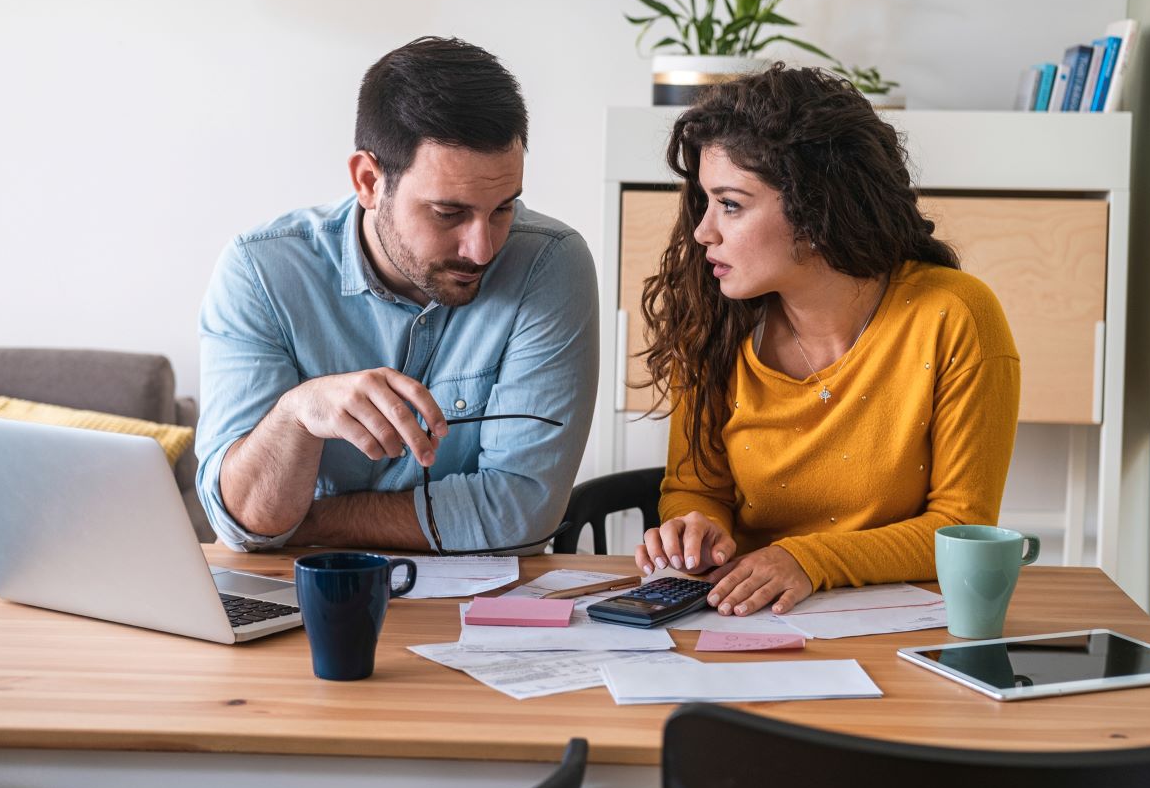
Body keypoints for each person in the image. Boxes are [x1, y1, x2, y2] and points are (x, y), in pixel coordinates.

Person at [634, 64, 1020, 617]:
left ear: (815, 212)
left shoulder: (955, 315)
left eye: (731, 204)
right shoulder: (715, 321)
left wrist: (809, 560)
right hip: (741, 618)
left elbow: (962, 526)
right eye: (705, 201)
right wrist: (696, 528)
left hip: (900, 628)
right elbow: (698, 488)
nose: (703, 232)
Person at [196, 37, 598, 554]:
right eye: (448, 213)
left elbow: (521, 514)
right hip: (301, 601)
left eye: (503, 208)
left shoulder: (549, 264)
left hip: (478, 614)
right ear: (368, 180)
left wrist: (306, 523)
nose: (481, 249)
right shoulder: (260, 273)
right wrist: (298, 414)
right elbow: (243, 521)